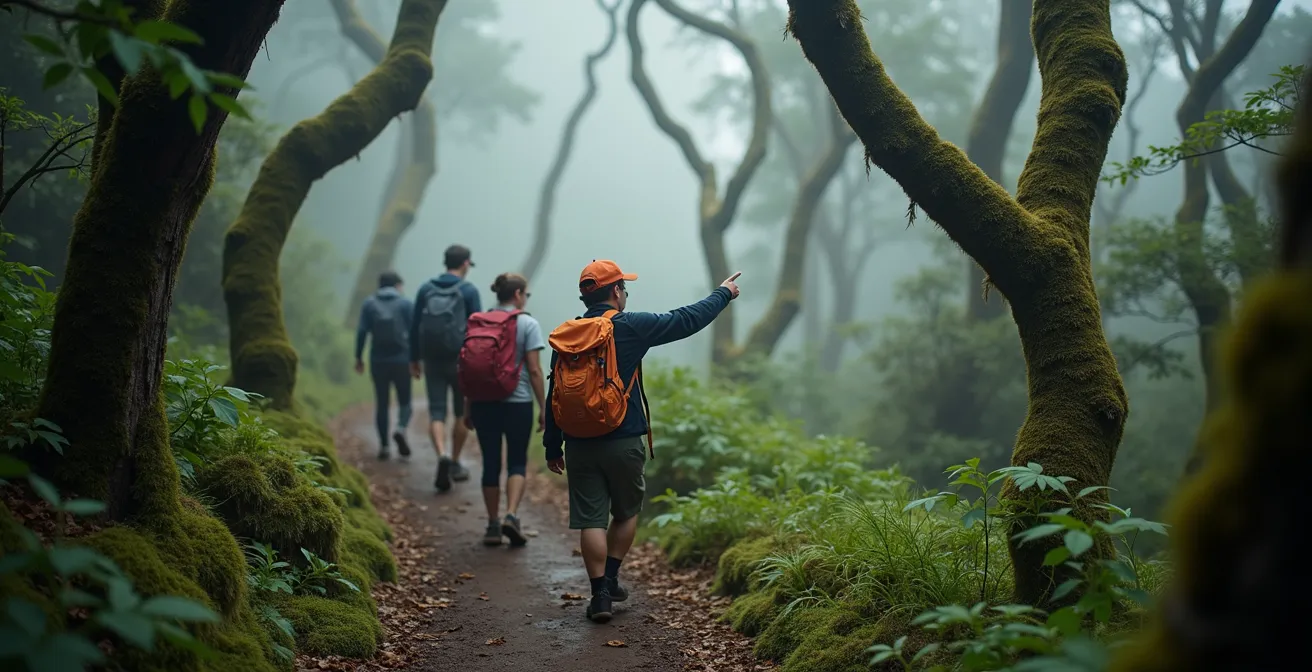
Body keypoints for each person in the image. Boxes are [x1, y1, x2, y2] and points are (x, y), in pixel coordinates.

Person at [543, 260, 741, 623]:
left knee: (591, 520)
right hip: (624, 438)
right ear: (616, 291)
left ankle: (599, 594)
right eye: (624, 287)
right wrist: (723, 294)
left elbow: (555, 390)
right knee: (626, 512)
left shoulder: (566, 334)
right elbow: (686, 319)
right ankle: (613, 577)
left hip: (578, 443)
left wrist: (552, 447)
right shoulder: (630, 326)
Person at [457, 273, 547, 547]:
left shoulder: (477, 322)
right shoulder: (527, 323)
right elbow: (533, 370)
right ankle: (511, 515)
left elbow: (470, 370)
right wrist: (544, 408)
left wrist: (468, 407)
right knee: (517, 461)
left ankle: (493, 524)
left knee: (491, 463)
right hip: (517, 403)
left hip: (483, 402)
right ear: (518, 293)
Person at [410, 244, 481, 492]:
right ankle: (454, 460)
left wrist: (414, 358)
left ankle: (441, 453)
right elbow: (477, 329)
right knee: (461, 413)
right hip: (460, 360)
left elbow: (415, 325)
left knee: (437, 412)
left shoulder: (426, 289)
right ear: (464, 264)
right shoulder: (469, 291)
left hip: (432, 358)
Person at [354, 270, 413, 460]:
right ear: (397, 285)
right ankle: (401, 428)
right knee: (405, 401)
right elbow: (414, 333)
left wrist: (358, 357)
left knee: (382, 403)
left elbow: (362, 332)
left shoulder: (369, 304)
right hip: (402, 359)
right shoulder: (405, 303)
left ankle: (384, 446)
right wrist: (416, 358)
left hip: (378, 360)